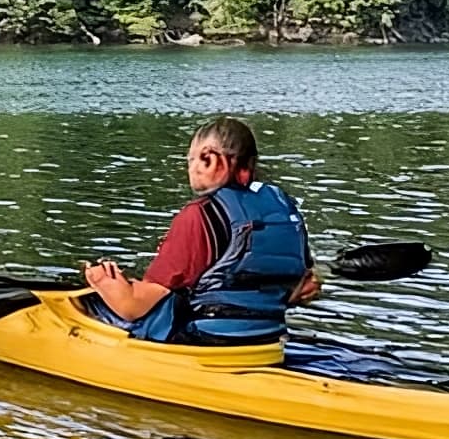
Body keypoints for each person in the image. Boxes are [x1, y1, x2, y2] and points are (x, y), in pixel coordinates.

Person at [81, 117, 320, 344]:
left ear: (210, 159)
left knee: (92, 305)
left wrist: (103, 281)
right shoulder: (282, 206)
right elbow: (305, 287)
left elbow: (133, 307)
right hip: (268, 338)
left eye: (191, 160)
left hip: (207, 341)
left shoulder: (200, 215)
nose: (190, 169)